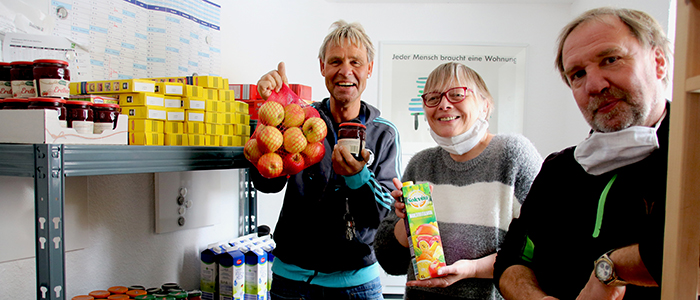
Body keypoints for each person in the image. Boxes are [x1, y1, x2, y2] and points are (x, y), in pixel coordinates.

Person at [493, 7, 672, 300]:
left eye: (611, 60)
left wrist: (610, 269)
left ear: (659, 62)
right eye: (578, 74)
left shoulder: (688, 160)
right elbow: (513, 259)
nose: (594, 85)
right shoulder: (559, 169)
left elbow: (679, 251)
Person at [252, 20, 402, 300]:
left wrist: (358, 177)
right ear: (322, 67)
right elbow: (266, 183)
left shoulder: (384, 134)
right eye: (335, 61)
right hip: (291, 282)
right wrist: (273, 115)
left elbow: (383, 216)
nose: (346, 71)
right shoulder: (298, 119)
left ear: (369, 68)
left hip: (358, 285)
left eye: (355, 62)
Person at [373, 62, 543, 300]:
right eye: (433, 98)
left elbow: (542, 248)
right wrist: (406, 223)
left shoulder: (512, 156)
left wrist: (472, 269)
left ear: (485, 105)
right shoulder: (421, 164)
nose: (443, 104)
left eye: (456, 94)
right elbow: (391, 262)